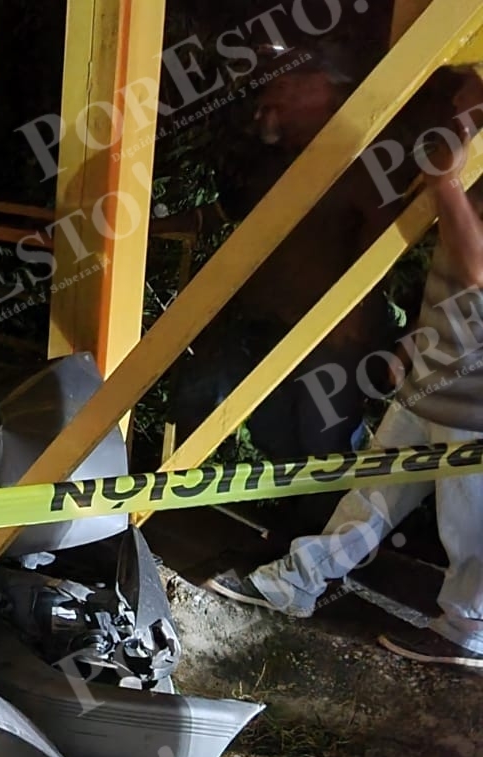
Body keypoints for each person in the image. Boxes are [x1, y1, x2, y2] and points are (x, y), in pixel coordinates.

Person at [208, 73, 483, 670]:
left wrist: (447, 180)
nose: (458, 105)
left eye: (471, 90)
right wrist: (416, 339)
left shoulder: (460, 177)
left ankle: (467, 631)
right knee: (376, 489)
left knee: (470, 514)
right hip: (439, 364)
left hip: (475, 384)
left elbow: (478, 269)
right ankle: (297, 582)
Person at [170, 42, 397, 483]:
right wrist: (146, 227)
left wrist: (352, 312)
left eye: (287, 85)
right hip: (264, 328)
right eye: (272, 86)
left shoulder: (358, 158)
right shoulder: (268, 163)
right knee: (273, 434)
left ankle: (333, 533)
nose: (272, 96)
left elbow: (382, 234)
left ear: (323, 90)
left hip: (329, 336)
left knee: (322, 443)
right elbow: (222, 213)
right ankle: (297, 528)